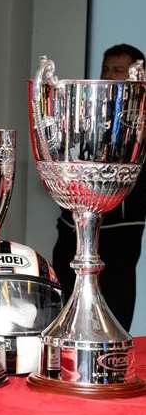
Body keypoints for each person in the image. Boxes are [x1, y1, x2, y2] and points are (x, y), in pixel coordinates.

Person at [52, 43, 146, 331]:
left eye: (118, 70)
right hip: (73, 231)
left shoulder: (142, 121)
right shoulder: (84, 110)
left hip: (120, 235)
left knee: (114, 317)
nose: (109, 76)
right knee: (66, 313)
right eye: (106, 69)